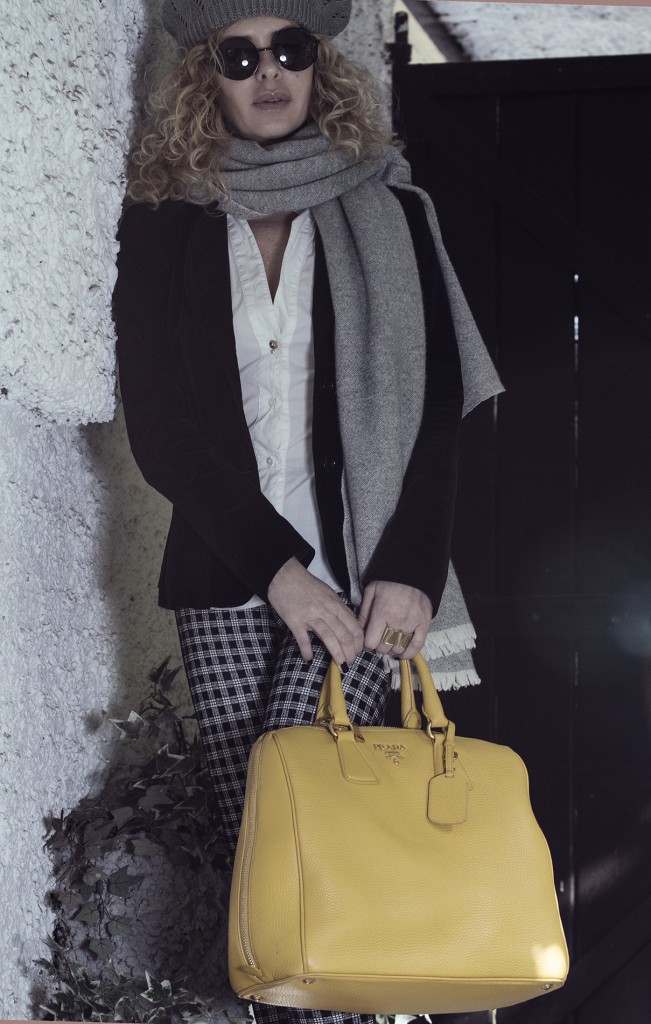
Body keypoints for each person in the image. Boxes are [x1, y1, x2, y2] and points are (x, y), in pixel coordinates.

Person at [113, 3, 501, 1023]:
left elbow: (437, 413)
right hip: (229, 576)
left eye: (289, 49)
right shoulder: (165, 223)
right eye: (240, 56)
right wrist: (280, 575)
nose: (269, 73)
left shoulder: (392, 211)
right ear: (206, 77)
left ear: (320, 65)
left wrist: (411, 567)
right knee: (262, 860)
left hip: (367, 572)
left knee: (313, 832)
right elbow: (161, 426)